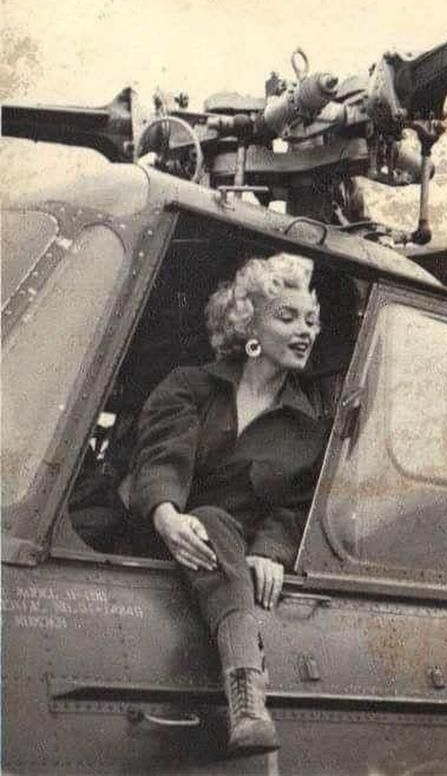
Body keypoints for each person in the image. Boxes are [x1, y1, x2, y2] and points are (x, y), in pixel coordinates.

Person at [130, 253, 328, 755]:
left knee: (216, 522)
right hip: (158, 538)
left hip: (230, 554)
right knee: (206, 518)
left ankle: (247, 697)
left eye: (311, 320)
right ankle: (245, 698)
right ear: (249, 326)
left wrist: (271, 550)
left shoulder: (307, 426)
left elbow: (296, 504)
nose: (304, 330)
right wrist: (166, 514)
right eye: (287, 317)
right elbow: (161, 456)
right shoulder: (190, 386)